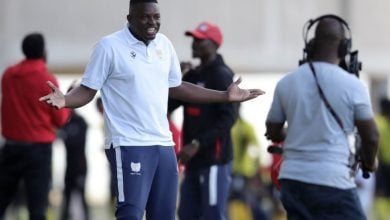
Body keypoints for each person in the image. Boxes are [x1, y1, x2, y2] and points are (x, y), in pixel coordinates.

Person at [39, 1, 264, 219]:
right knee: (131, 214)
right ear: (130, 18)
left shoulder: (164, 45)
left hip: (164, 145)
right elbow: (88, 90)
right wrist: (66, 100)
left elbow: (177, 88)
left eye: (156, 17)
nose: (152, 22)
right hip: (129, 144)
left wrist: (224, 96)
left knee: (165, 215)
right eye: (145, 16)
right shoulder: (109, 46)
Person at [265, 15, 379, 220]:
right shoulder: (353, 86)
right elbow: (370, 136)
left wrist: (298, 133)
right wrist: (370, 163)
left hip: (292, 180)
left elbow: (272, 130)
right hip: (332, 181)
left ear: (311, 45)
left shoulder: (286, 83)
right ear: (344, 48)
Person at [168, 21, 237, 220]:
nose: (194, 44)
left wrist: (198, 144)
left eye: (200, 40)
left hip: (214, 161)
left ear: (214, 44)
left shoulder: (222, 75)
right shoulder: (193, 74)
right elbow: (166, 107)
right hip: (193, 161)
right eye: (193, 39)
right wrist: (177, 78)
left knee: (213, 215)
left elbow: (229, 119)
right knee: (187, 214)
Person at [0, 33, 70, 220]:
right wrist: (68, 104)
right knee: (37, 208)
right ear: (43, 51)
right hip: (38, 151)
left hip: (11, 147)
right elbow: (60, 120)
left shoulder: (8, 75)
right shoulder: (47, 80)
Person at [59, 82, 89, 220]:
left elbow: (76, 142)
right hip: (69, 166)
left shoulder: (81, 122)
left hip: (80, 166)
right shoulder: (65, 122)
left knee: (80, 196)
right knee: (67, 195)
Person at [373, 98, 390, 220]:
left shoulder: (377, 121)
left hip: (381, 164)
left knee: (381, 194)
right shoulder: (381, 122)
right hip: (383, 164)